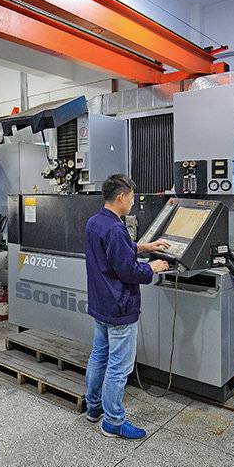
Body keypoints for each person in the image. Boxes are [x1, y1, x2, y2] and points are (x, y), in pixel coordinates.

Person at [84, 174, 170, 439]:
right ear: (121, 197)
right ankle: (113, 421)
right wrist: (152, 268)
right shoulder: (115, 228)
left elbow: (116, 251)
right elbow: (128, 271)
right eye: (131, 198)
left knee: (99, 356)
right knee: (119, 367)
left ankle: (94, 408)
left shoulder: (95, 222)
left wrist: (143, 246)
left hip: (100, 303)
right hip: (119, 306)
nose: (133, 202)